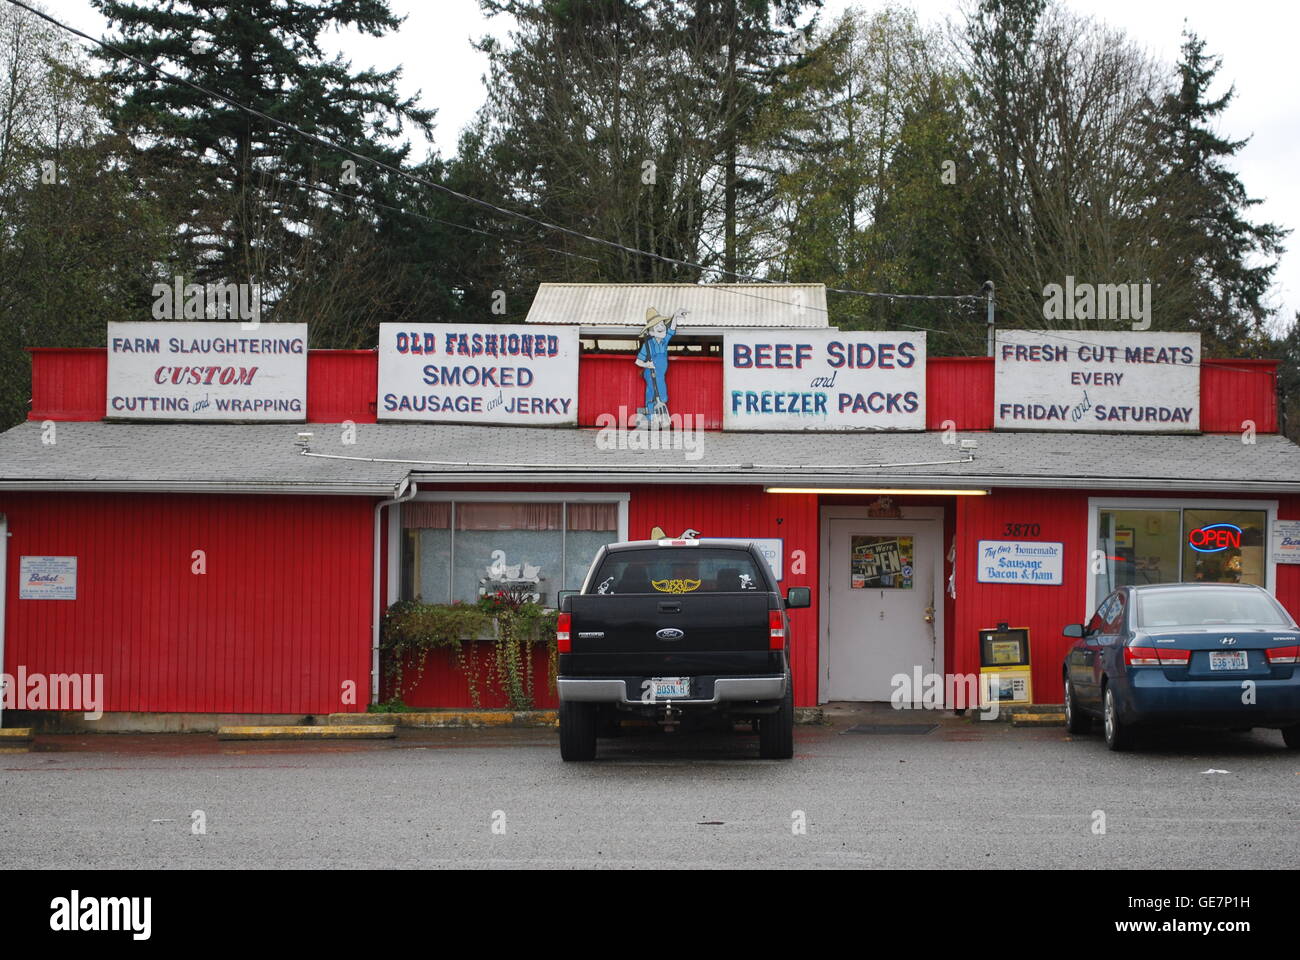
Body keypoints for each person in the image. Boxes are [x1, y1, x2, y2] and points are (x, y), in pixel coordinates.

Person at [634, 307, 685, 425]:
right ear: (651, 331)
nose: (662, 328)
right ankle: (651, 418)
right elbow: (638, 361)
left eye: (662, 325)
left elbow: (671, 330)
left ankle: (659, 416)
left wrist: (675, 317)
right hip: (651, 373)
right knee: (652, 393)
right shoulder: (648, 345)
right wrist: (647, 364)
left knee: (662, 394)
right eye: (658, 326)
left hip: (660, 375)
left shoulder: (663, 341)